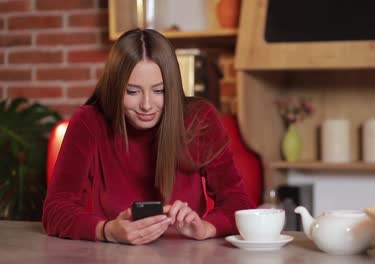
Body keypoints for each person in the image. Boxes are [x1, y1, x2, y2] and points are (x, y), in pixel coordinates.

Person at [42, 28, 253, 245]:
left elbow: (239, 205)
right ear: (115, 88)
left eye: (159, 91)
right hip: (114, 257)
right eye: (132, 92)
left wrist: (206, 228)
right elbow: (55, 211)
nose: (146, 105)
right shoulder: (89, 122)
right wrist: (106, 231)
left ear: (171, 87)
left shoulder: (200, 119)